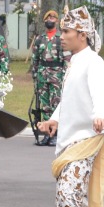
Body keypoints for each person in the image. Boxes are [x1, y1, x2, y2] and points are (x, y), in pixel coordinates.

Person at [37, 7, 104, 207]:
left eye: (66, 31)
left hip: (86, 138)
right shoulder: (75, 61)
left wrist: (100, 116)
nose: (61, 36)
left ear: (82, 34)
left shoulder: (93, 62)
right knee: (67, 195)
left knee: (70, 193)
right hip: (70, 138)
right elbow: (68, 101)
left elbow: (99, 93)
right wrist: (53, 120)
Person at [29, 9, 66, 146]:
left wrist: (65, 76)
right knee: (45, 106)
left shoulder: (60, 38)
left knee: (56, 105)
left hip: (57, 75)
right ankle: (46, 134)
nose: (50, 20)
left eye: (53, 18)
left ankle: (56, 134)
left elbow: (66, 59)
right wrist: (35, 77)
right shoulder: (40, 39)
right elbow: (35, 59)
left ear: (56, 21)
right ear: (45, 21)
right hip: (42, 75)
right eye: (48, 18)